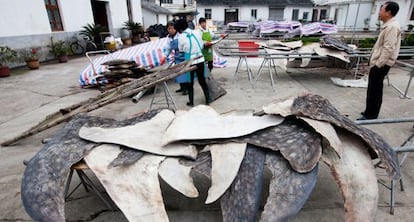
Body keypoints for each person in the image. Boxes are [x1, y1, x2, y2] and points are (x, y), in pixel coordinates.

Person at [358, 1, 401, 120]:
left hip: (382, 64)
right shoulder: (389, 25)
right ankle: (369, 111)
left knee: (375, 90)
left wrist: (378, 64)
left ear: (389, 13)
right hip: (379, 63)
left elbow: (388, 48)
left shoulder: (392, 27)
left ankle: (371, 115)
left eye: (382, 10)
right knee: (373, 88)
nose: (379, 12)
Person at [174, 19, 210, 106]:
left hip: (190, 61)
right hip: (201, 59)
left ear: (180, 29)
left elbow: (181, 49)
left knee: (190, 83)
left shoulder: (181, 37)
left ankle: (191, 102)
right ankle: (208, 100)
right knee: (202, 81)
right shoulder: (197, 32)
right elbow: (201, 45)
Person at [162, 21, 189, 95]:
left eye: (172, 28)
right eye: (169, 29)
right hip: (177, 57)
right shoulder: (168, 38)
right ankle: (182, 87)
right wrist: (164, 56)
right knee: (179, 73)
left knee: (185, 73)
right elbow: (168, 48)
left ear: (175, 28)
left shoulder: (180, 35)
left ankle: (186, 89)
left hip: (184, 56)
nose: (170, 30)